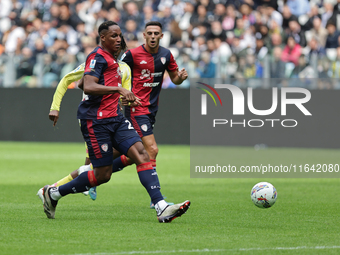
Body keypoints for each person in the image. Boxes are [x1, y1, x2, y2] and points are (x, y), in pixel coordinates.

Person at [42, 21, 190, 223]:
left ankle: (161, 206)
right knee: (103, 174)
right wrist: (119, 90)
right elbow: (88, 86)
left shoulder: (118, 64)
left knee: (143, 153)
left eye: (120, 35)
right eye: (113, 36)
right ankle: (54, 193)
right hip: (95, 121)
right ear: (102, 37)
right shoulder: (96, 57)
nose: (119, 39)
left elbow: (120, 90)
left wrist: (127, 96)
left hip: (117, 119)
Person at [36, 34, 132, 202]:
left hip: (113, 119)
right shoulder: (95, 62)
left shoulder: (125, 69)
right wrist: (55, 107)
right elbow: (66, 79)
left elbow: (125, 98)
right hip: (93, 118)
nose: (117, 47)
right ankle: (53, 190)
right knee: (93, 166)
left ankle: (54, 190)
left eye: (120, 45)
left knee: (115, 159)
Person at [113, 21, 188, 208]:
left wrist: (181, 77)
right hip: (136, 108)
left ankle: (94, 172)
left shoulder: (166, 55)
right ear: (144, 35)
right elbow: (116, 76)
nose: (153, 36)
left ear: (161, 36)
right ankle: (157, 200)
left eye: (156, 33)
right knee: (152, 149)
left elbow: (175, 79)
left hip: (151, 109)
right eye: (150, 33)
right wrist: (122, 94)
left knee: (135, 154)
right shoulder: (132, 55)